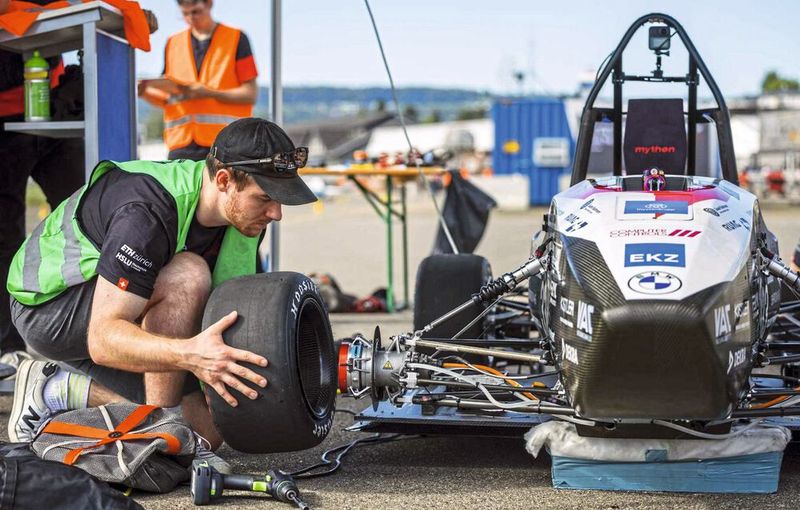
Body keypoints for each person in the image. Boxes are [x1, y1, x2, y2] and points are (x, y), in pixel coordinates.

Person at [6, 119, 315, 462]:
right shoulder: (147, 211)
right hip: (47, 308)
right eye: (266, 198)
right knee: (187, 276)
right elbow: (104, 338)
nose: (276, 213)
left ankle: (56, 389)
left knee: (208, 430)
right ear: (224, 179)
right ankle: (156, 431)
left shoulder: (243, 216)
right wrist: (192, 356)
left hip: (117, 306)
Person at [0, 0, 84, 366]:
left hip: (57, 109)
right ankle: (8, 349)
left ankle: (87, 332)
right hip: (4, 122)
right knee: (5, 236)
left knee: (85, 219)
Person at [138, 0, 258, 161]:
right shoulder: (173, 43)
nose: (190, 18)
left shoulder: (236, 38)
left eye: (195, 12)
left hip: (225, 145)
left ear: (209, 4)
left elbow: (250, 94)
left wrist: (209, 93)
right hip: (180, 146)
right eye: (185, 14)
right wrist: (144, 92)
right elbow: (169, 100)